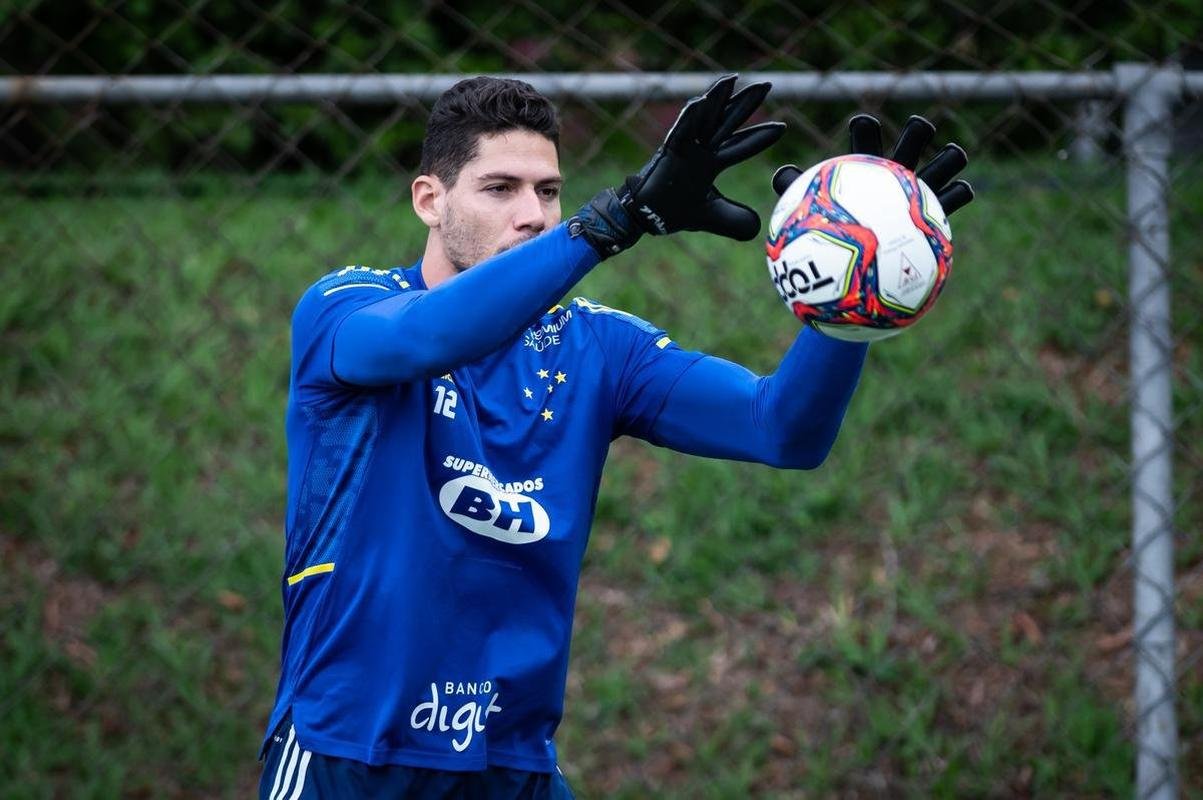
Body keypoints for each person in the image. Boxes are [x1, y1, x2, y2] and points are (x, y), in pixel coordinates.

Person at [259, 74, 973, 799]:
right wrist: (613, 220)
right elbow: (429, 336)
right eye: (499, 188)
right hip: (346, 751)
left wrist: (852, 302)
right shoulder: (347, 305)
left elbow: (781, 430)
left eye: (548, 191)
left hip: (511, 763)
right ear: (429, 199)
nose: (532, 215)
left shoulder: (597, 347)